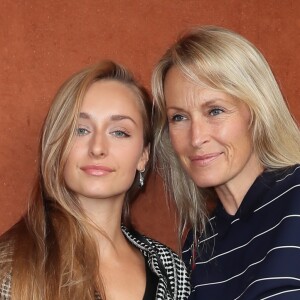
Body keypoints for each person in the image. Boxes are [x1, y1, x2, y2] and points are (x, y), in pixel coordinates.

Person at [0, 60, 191, 300]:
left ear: (143, 156)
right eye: (80, 130)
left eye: (119, 132)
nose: (98, 148)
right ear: (57, 146)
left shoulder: (171, 272)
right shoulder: (10, 264)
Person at [152, 25, 300, 299]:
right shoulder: (197, 246)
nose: (196, 138)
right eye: (179, 117)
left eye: (215, 111)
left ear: (256, 112)